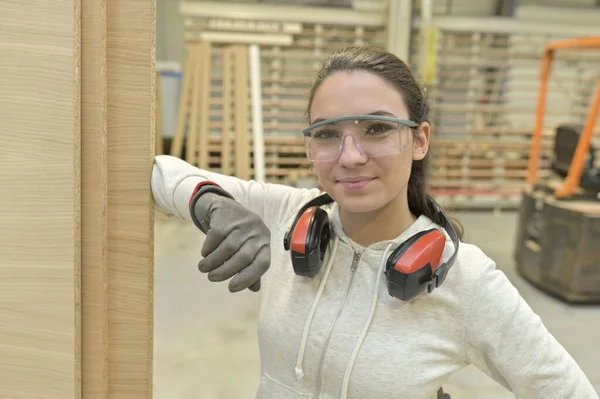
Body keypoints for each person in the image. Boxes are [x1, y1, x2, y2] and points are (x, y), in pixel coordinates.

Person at [151, 46, 597, 399]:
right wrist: (213, 203)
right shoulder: (289, 215)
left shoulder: (466, 282)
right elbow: (159, 171)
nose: (350, 157)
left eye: (377, 129)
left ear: (419, 140)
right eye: (326, 134)